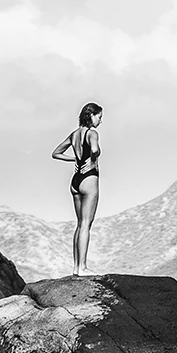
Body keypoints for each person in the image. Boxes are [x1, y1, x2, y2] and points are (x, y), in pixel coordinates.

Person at [51, 102, 102, 275]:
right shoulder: (92, 133)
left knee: (79, 224)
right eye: (99, 117)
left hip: (75, 180)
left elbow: (56, 153)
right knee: (86, 224)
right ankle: (83, 267)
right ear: (91, 116)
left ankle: (75, 267)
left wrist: (74, 159)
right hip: (89, 178)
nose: (100, 121)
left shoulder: (74, 134)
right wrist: (94, 157)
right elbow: (94, 149)